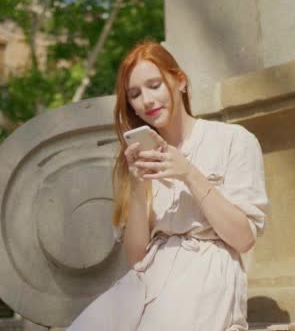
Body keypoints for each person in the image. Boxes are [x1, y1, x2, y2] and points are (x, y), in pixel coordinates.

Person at [67, 40, 269, 331]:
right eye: (135, 94)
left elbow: (243, 238)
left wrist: (188, 173)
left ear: (180, 82)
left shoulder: (233, 140)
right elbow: (136, 258)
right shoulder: (136, 158)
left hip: (205, 275)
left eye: (155, 85)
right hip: (146, 280)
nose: (147, 100)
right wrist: (137, 189)